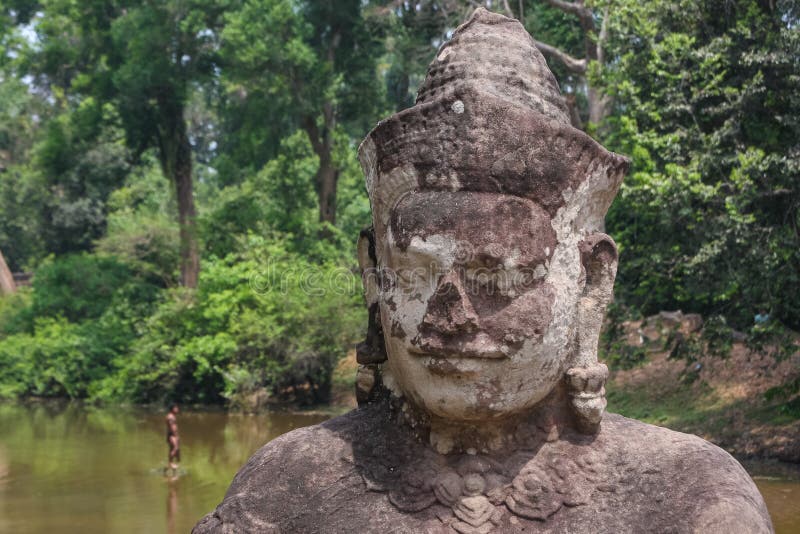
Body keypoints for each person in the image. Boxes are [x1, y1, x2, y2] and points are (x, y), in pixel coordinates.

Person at [194, 8, 772, 533]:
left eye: (497, 276)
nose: (448, 317)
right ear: (374, 275)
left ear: (591, 280)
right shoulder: (282, 493)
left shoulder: (690, 500)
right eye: (414, 275)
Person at [165, 404, 180, 476]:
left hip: (173, 435)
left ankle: (168, 467)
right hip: (172, 435)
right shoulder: (170, 417)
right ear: (172, 409)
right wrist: (175, 436)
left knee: (173, 449)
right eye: (176, 408)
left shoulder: (172, 416)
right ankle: (170, 463)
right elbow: (171, 427)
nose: (177, 409)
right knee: (175, 448)